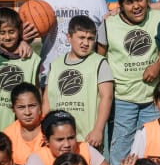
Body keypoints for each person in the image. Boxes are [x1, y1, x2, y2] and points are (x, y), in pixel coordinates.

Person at [104, 0, 160, 164]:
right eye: (129, 2)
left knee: (152, 149)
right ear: (120, 5)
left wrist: (158, 65)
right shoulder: (108, 25)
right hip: (123, 99)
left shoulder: (158, 18)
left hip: (152, 98)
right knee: (121, 151)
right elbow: (100, 61)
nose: (136, 6)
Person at [45, 15, 113, 151]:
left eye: (90, 39)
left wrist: (98, 129)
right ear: (69, 37)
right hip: (58, 139)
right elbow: (46, 99)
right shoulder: (55, 64)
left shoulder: (100, 62)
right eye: (81, 38)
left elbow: (107, 97)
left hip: (87, 138)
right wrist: (45, 128)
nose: (86, 43)